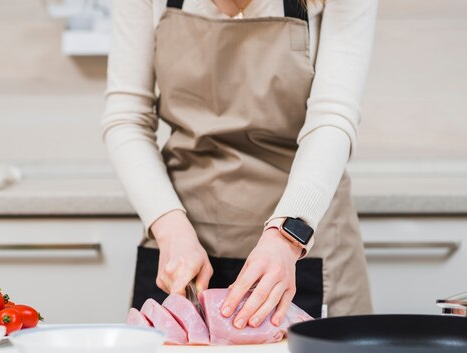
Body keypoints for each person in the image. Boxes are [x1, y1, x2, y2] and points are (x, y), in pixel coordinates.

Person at [101, 0, 377, 330]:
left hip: (306, 236)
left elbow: (332, 118)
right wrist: (169, 227)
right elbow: (126, 118)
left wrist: (288, 236)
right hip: (182, 240)